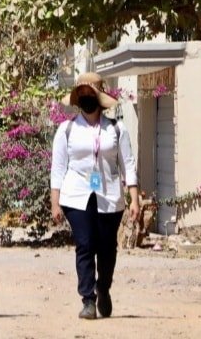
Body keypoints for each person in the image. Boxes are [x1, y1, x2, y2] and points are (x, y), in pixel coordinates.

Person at [49, 72, 138, 320]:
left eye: (91, 95)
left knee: (107, 248)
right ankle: (88, 299)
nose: (87, 99)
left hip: (109, 195)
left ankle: (103, 287)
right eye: (83, 95)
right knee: (85, 245)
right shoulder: (66, 130)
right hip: (76, 195)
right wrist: (55, 202)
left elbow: (128, 164)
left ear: (99, 97)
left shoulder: (116, 129)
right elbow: (58, 168)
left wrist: (134, 198)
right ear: (78, 99)